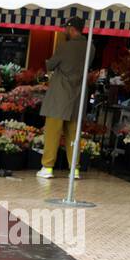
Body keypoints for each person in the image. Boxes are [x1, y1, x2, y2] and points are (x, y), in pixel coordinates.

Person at [37, 16, 92, 179]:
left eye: (65, 28)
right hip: (78, 95)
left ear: (71, 28)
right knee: (73, 135)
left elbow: (50, 65)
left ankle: (47, 167)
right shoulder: (91, 47)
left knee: (53, 132)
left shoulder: (64, 46)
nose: (63, 31)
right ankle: (74, 169)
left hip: (60, 95)